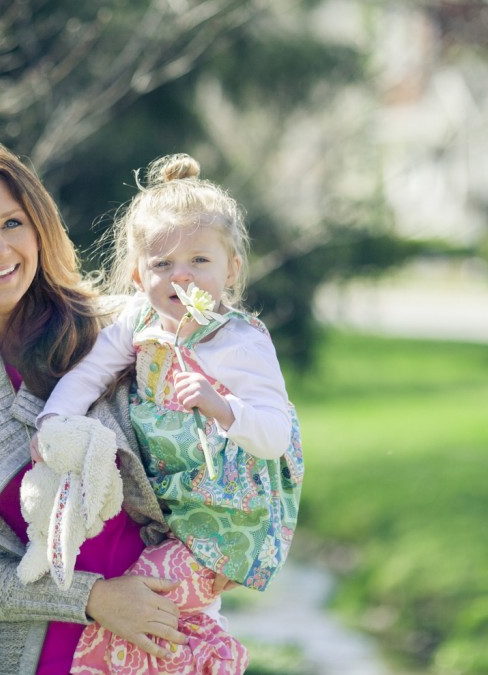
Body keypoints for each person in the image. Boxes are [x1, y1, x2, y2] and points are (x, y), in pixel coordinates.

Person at [0, 137, 201, 675]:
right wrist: (91, 599)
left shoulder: (117, 332)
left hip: (160, 639)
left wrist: (220, 554)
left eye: (12, 223)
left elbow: (209, 454)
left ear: (39, 229)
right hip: (25, 658)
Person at [36, 153, 305, 673]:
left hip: (227, 516)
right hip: (171, 510)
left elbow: (273, 434)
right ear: (138, 275)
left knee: (145, 605)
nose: (181, 277)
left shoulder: (240, 343)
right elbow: (88, 376)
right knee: (165, 613)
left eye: (200, 262)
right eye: (162, 265)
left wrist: (222, 406)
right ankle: (199, 650)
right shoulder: (139, 321)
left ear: (232, 268)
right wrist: (55, 423)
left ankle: (215, 660)